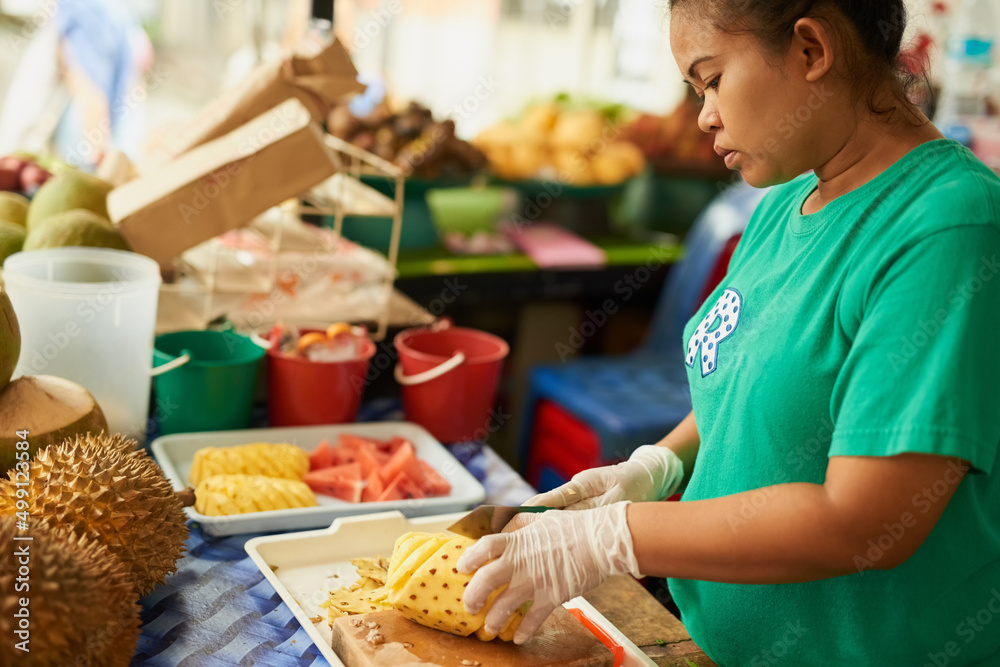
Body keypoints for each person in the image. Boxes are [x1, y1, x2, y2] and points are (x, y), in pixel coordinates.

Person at [456, 1, 1000, 664]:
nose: (704, 115)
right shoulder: (781, 208)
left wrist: (615, 537)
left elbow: (866, 521)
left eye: (711, 80)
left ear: (809, 50)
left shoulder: (946, 229)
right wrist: (656, 465)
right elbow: (743, 388)